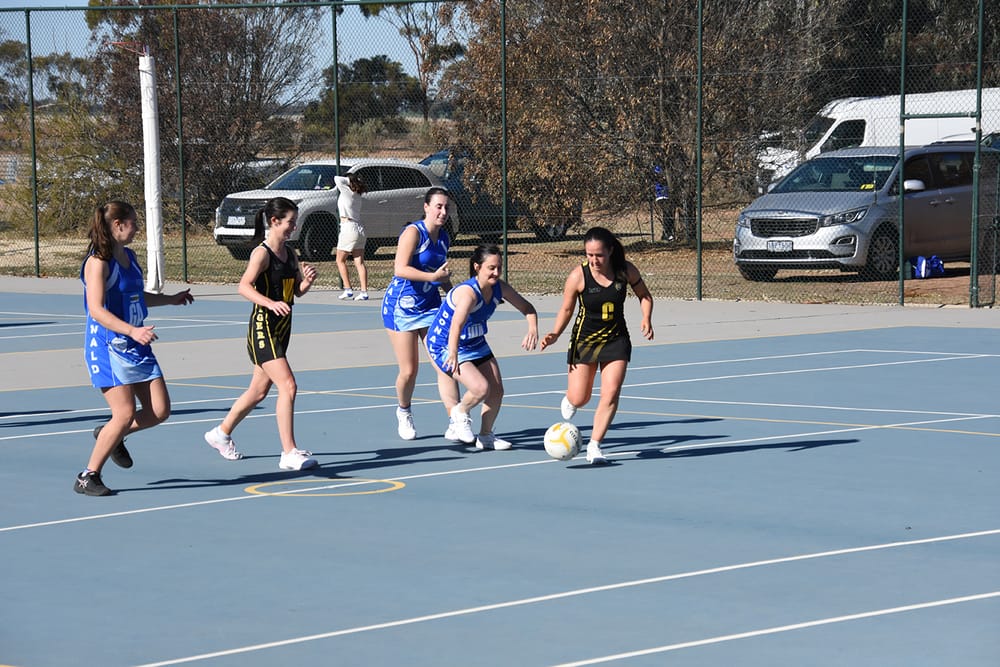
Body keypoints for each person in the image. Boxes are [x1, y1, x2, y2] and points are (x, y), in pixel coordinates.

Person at [77, 200, 194, 496]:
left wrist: (170, 299)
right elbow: (96, 309)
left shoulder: (129, 256)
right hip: (108, 344)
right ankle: (88, 476)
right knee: (124, 412)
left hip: (135, 342)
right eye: (133, 222)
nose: (137, 228)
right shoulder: (98, 262)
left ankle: (109, 435)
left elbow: (135, 297)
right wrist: (132, 330)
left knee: (159, 410)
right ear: (118, 225)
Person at [203, 196, 319, 471]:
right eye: (290, 222)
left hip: (282, 328)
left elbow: (293, 294)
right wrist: (268, 302)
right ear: (275, 221)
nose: (293, 226)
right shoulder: (262, 253)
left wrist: (307, 283)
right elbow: (244, 286)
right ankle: (288, 451)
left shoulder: (291, 254)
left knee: (257, 392)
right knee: (288, 386)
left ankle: (220, 433)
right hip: (262, 328)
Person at [540, 226, 654, 464]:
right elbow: (567, 309)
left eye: (598, 255)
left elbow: (645, 295)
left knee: (611, 392)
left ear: (610, 251)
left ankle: (594, 445)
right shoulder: (578, 276)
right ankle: (571, 399)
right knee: (581, 398)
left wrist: (646, 318)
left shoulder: (625, 271)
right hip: (585, 341)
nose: (593, 260)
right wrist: (555, 333)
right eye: (589, 255)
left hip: (616, 340)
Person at [426, 244, 538, 450]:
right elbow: (456, 325)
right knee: (480, 388)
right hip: (445, 343)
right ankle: (459, 413)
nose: (496, 272)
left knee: (496, 390)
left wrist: (532, 328)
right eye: (491, 268)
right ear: (477, 267)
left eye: (499, 268)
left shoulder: (499, 288)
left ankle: (486, 436)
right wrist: (452, 353)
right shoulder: (468, 293)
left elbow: (527, 308)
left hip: (474, 342)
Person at [381, 187, 455, 440]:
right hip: (400, 307)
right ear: (426, 207)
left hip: (431, 305)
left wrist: (456, 297)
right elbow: (400, 269)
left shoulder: (444, 237)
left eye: (446, 207)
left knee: (444, 364)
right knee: (409, 370)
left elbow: (441, 274)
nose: (443, 212)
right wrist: (432, 277)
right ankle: (404, 411)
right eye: (438, 206)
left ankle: (456, 420)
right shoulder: (413, 232)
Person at [334, 172, 370, 301]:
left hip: (349, 227)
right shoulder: (357, 195)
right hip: (359, 229)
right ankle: (364, 292)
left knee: (340, 260)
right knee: (359, 262)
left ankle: (348, 289)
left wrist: (351, 180)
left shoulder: (347, 191)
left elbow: (337, 179)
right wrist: (355, 181)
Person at [653, 165, 674, 242]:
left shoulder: (669, 166)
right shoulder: (657, 167)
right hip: (661, 196)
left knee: (668, 214)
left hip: (668, 196)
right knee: (667, 213)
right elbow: (658, 177)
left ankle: (666, 234)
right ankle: (668, 234)